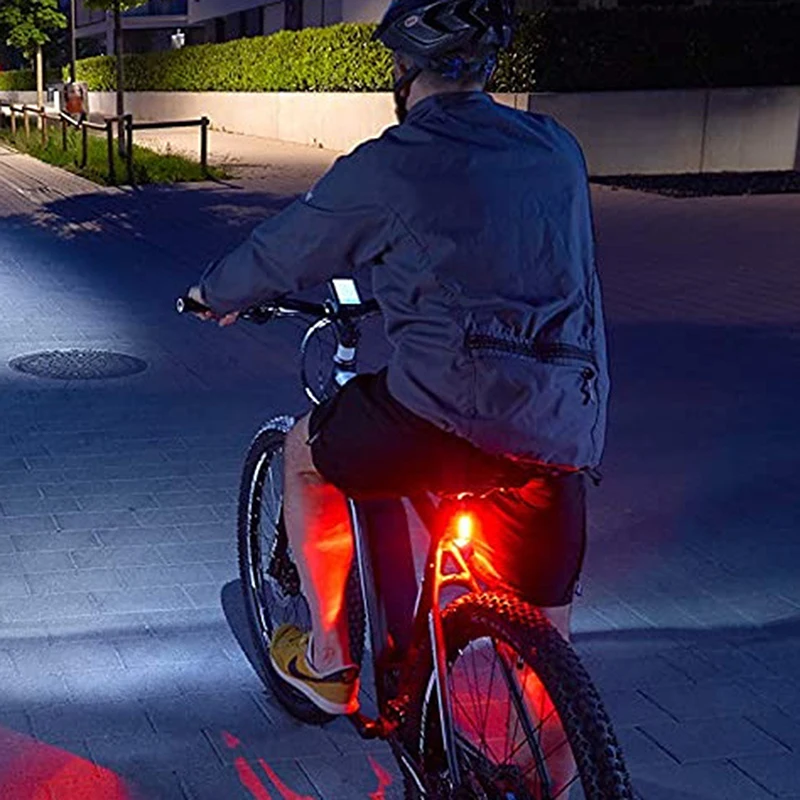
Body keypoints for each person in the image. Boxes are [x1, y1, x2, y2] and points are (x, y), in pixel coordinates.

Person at [188, 0, 609, 720]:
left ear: (404, 70)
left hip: (440, 417)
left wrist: (212, 293)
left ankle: (328, 661)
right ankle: (566, 765)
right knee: (553, 662)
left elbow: (290, 247)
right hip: (560, 423)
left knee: (305, 451)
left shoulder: (390, 164)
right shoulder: (557, 149)